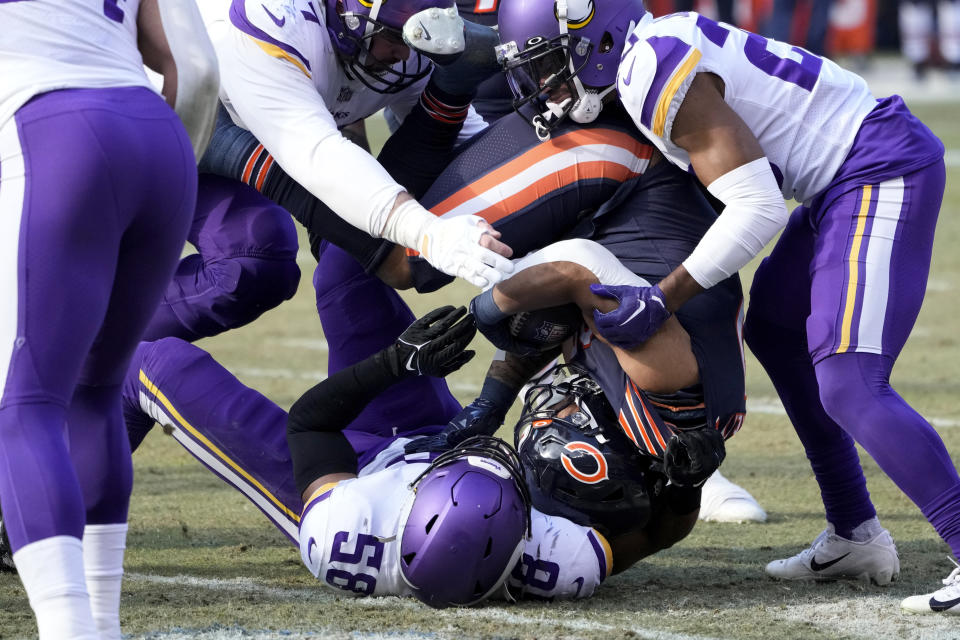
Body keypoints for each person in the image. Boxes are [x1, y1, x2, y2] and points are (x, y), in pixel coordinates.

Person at [495, 0, 958, 613]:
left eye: (551, 62)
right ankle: (855, 533)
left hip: (876, 166)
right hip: (840, 175)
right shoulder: (652, 51)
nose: (545, 83)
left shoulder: (647, 72)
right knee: (775, 330)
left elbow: (757, 208)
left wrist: (666, 297)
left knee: (850, 380)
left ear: (592, 37)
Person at [123, 243, 613, 602]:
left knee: (156, 365)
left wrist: (397, 363)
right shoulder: (564, 558)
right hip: (426, 432)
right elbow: (654, 532)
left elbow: (311, 425)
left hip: (346, 472)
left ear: (419, 489)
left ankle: (65, 503)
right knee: (350, 256)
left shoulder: (343, 532)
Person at [0, 0, 220, 638]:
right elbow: (197, 68)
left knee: (27, 405)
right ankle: (101, 625)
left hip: (51, 130)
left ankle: (71, 629)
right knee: (92, 398)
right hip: (156, 140)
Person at [141, 0, 515, 344]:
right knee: (383, 253)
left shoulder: (403, 40)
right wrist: (429, 233)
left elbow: (466, 143)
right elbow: (316, 155)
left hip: (249, 123)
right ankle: (100, 347)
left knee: (257, 262)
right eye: (391, 37)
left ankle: (119, 348)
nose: (403, 53)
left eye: (412, 40)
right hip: (153, 120)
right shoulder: (275, 21)